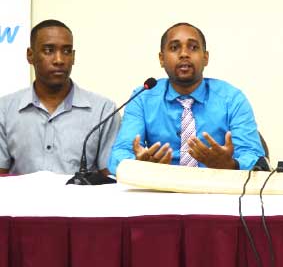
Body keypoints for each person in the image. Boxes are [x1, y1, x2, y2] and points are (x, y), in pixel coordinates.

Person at [107, 23, 265, 174]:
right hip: (158, 192)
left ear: (205, 57)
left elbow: (255, 157)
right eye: (174, 48)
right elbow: (119, 155)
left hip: (217, 191)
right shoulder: (142, 98)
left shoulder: (232, 99)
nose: (184, 54)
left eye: (193, 47)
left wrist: (231, 165)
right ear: (161, 59)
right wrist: (137, 165)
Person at [0, 19, 120, 175]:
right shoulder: (5, 109)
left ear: (74, 57)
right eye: (49, 50)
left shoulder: (103, 110)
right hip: (21, 200)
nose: (59, 60)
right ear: (30, 56)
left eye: (66, 51)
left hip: (84, 200)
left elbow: (110, 179)